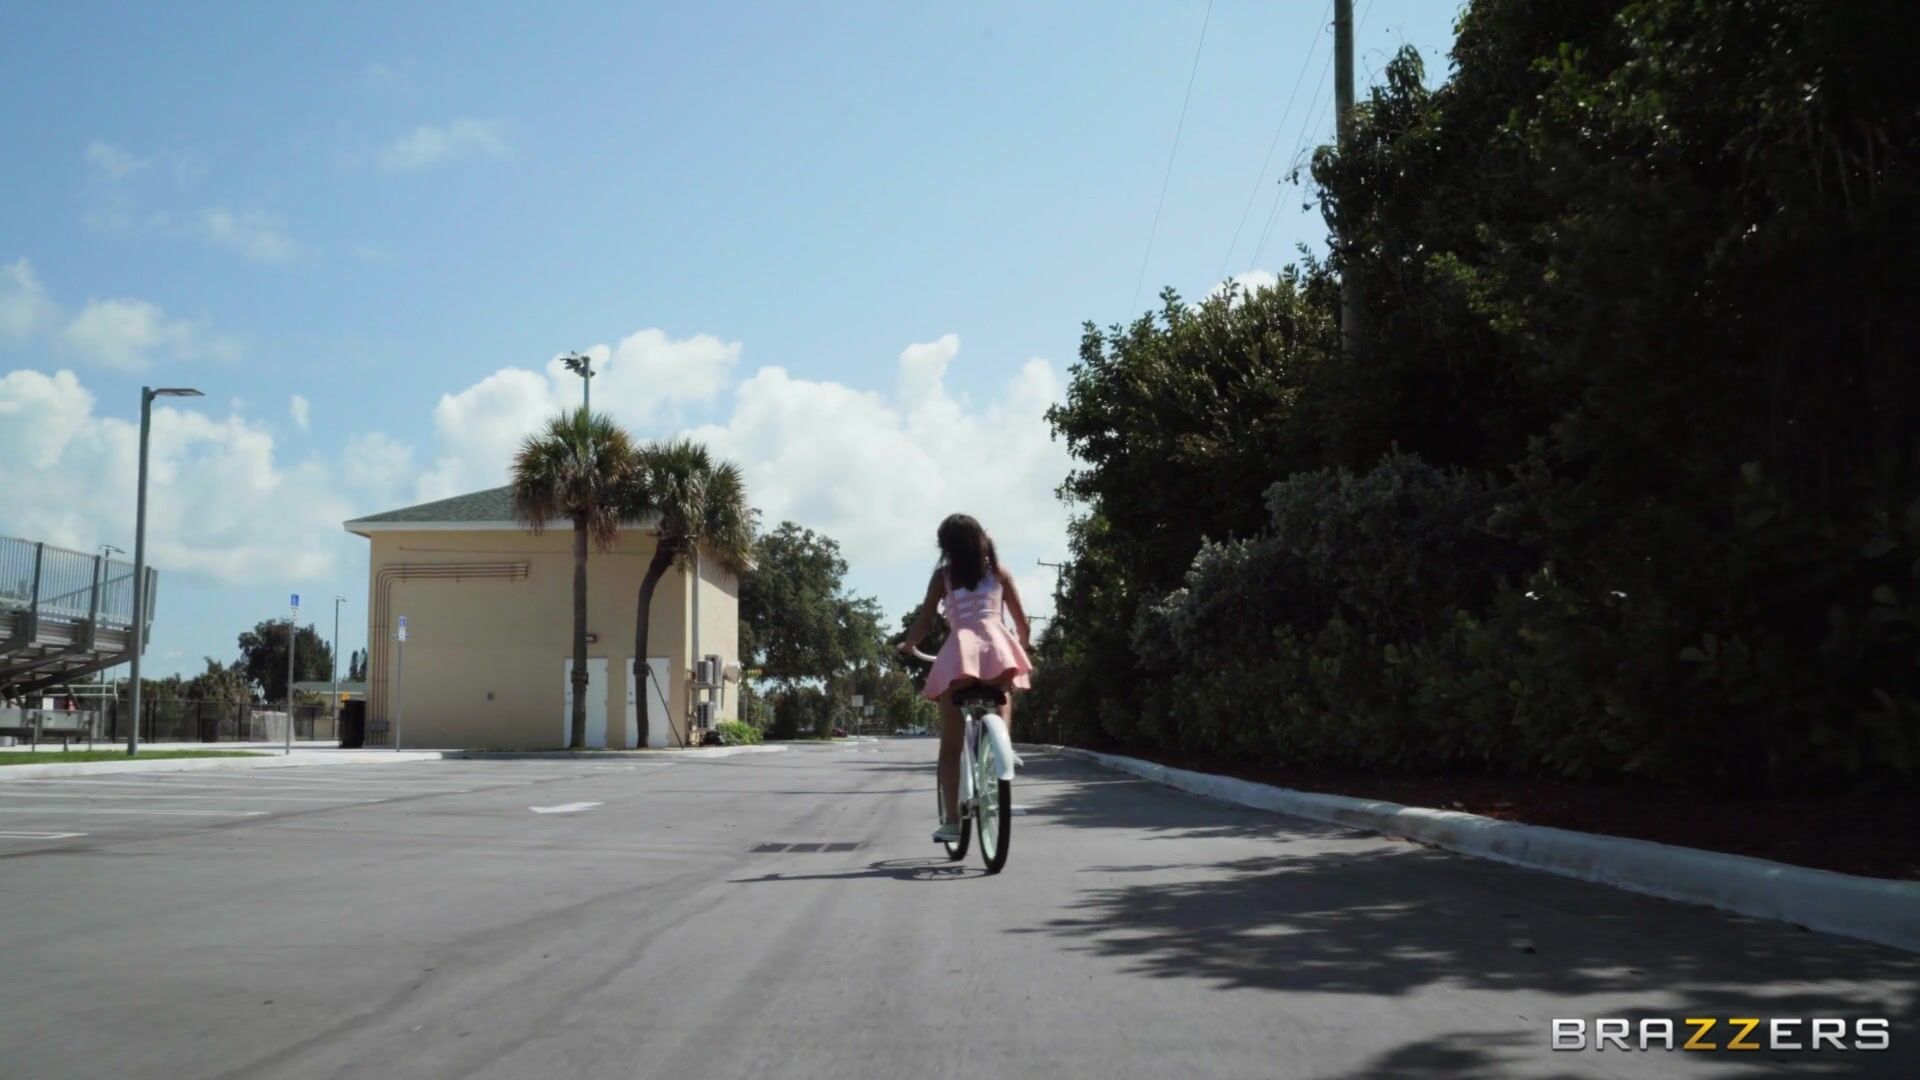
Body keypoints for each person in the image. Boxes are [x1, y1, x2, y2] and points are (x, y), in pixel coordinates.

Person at [898, 513, 1034, 843]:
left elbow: (924, 622)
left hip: (959, 658)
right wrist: (1024, 643)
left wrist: (909, 645)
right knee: (1002, 689)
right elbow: (1022, 622)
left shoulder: (943, 577)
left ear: (946, 547)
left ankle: (951, 823)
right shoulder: (999, 572)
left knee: (950, 747)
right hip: (997, 651)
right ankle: (1003, 744)